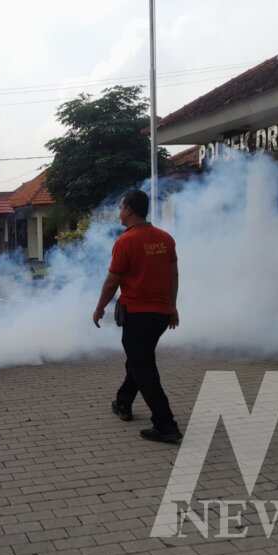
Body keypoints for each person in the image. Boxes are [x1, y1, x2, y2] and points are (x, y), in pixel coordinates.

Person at [92, 190, 182, 444]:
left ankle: (166, 426)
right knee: (139, 359)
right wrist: (172, 306)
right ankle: (123, 403)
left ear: (130, 210)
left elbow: (112, 281)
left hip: (138, 314)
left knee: (144, 368)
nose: (119, 212)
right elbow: (174, 276)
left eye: (121, 207)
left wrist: (100, 307)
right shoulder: (165, 239)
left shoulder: (126, 241)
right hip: (161, 316)